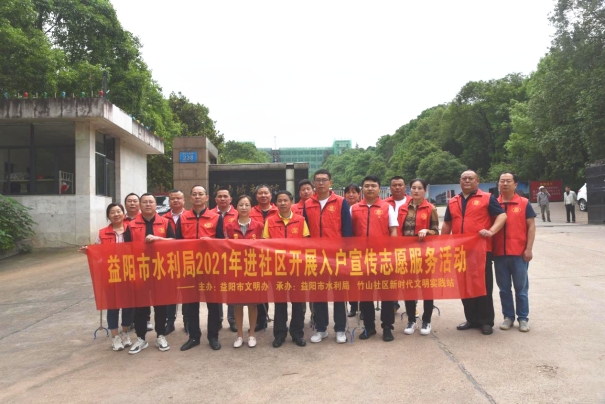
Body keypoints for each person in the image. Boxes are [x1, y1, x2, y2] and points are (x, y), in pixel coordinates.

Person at [441, 170, 507, 336]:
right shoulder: (453, 201)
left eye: (471, 178)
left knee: (483, 285)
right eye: (464, 178)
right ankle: (471, 319)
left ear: (477, 181)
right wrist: (442, 244)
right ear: (460, 181)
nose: (467, 181)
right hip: (460, 251)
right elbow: (447, 224)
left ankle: (486, 321)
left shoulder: (487, 198)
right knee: (464, 285)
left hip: (481, 250)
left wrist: (491, 231)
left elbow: (502, 216)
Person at [304, 169, 352, 344]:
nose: (321, 183)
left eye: (324, 180)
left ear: (330, 183)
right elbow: (305, 230)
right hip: (316, 255)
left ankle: (340, 328)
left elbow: (347, 229)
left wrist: (346, 253)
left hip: (336, 255)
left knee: (339, 292)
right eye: (317, 180)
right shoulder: (308, 204)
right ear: (314, 183)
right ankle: (321, 328)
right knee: (319, 293)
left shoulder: (340, 202)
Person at [123, 193, 175, 354]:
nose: (147, 204)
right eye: (144, 202)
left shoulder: (165, 222)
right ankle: (141, 338)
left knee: (161, 305)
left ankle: (160, 335)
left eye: (151, 202)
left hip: (160, 269)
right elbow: (125, 249)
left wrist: (158, 239)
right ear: (140, 205)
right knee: (141, 306)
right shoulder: (131, 225)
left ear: (155, 205)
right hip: (141, 271)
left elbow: (174, 242)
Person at [79, 203, 134, 351]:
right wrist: (89, 251)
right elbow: (98, 252)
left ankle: (125, 333)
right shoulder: (102, 233)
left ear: (123, 214)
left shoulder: (131, 230)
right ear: (108, 216)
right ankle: (115, 337)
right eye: (112, 212)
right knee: (113, 306)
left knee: (128, 305)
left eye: (118, 211)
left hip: (128, 272)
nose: (116, 214)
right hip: (111, 273)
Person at [352, 175, 399, 342]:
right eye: (367, 186)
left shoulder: (387, 207)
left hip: (383, 257)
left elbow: (393, 230)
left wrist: (391, 253)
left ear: (379, 188)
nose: (370, 188)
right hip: (362, 259)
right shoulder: (354, 208)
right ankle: (369, 327)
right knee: (366, 294)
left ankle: (387, 327)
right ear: (362, 189)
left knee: (386, 293)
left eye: (373, 185)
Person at [178, 185, 224, 351]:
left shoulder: (216, 218)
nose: (197, 197)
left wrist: (211, 242)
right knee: (191, 303)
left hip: (210, 266)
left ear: (206, 198)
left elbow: (222, 242)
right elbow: (177, 243)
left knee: (213, 303)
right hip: (189, 266)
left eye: (200, 194)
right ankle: (194, 337)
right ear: (190, 198)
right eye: (194, 194)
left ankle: (213, 336)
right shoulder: (183, 218)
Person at [263, 190, 309, 348]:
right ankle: (279, 334)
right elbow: (265, 244)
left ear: (291, 202)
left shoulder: (300, 220)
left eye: (285, 200)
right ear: (276, 203)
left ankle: (297, 334)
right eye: (280, 201)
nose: (282, 203)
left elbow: (306, 244)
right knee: (280, 303)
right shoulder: (270, 221)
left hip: (297, 268)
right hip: (278, 268)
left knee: (298, 303)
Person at [493, 172, 536, 332]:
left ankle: (523, 318)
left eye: (508, 181)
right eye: (502, 181)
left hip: (519, 254)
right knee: (504, 289)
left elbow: (531, 226)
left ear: (515, 184)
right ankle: (508, 317)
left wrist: (528, 249)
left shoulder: (524, 203)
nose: (505, 184)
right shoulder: (493, 203)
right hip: (499, 254)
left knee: (521, 289)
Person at [397, 178, 440, 336]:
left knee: (426, 287)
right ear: (410, 190)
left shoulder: (430, 208)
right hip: (406, 254)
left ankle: (426, 320)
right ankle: (411, 320)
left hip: (424, 254)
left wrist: (427, 231)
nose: (416, 191)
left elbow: (436, 231)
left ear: (424, 190)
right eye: (413, 188)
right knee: (409, 287)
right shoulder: (403, 208)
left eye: (419, 188)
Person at [224, 195, 264, 348]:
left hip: (253, 269)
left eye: (247, 204)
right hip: (236, 269)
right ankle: (239, 335)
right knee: (237, 304)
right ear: (236, 207)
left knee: (253, 304)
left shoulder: (259, 226)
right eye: (241, 204)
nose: (244, 207)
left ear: (251, 207)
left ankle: (252, 334)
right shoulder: (229, 227)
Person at [249, 184, 278, 332]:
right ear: (256, 196)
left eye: (266, 193)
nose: (263, 195)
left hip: (277, 256)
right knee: (260, 288)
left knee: (278, 288)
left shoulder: (278, 210)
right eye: (260, 193)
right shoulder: (250, 212)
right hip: (257, 256)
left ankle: (280, 321)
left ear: (271, 195)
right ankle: (261, 320)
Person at [213, 187, 238, 333]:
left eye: (225, 196)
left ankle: (232, 319)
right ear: (215, 199)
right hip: (215, 258)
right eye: (220, 196)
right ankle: (218, 319)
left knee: (231, 288)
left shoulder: (238, 214)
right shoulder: (210, 214)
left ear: (230, 199)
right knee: (217, 288)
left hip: (232, 258)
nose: (222, 199)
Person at [163, 189, 185, 335]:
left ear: (184, 200)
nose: (176, 201)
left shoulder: (189, 216)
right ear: (169, 201)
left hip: (187, 260)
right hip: (169, 261)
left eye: (178, 198)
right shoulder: (162, 219)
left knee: (187, 291)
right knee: (170, 293)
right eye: (172, 198)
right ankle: (169, 322)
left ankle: (187, 321)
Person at [344, 183, 362, 317]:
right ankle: (353, 307)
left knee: (362, 280)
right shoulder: (342, 208)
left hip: (362, 250)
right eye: (349, 192)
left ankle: (364, 308)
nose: (351, 195)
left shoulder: (362, 208)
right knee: (351, 281)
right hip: (347, 250)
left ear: (359, 194)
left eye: (354, 192)